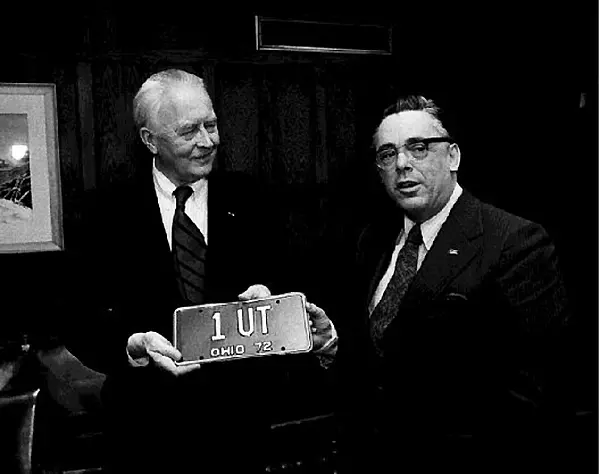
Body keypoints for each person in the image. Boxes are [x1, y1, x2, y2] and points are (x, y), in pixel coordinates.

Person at [63, 68, 336, 473]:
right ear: (149, 140)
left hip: (240, 431)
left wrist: (273, 302)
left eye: (211, 124)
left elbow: (298, 288)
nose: (207, 141)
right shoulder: (103, 212)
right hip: (143, 431)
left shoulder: (253, 200)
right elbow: (78, 318)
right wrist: (131, 346)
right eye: (189, 131)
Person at [330, 95, 572, 473]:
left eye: (419, 148)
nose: (403, 165)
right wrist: (330, 342)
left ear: (453, 157)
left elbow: (535, 390)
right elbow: (379, 358)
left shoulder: (514, 242)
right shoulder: (372, 240)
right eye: (388, 155)